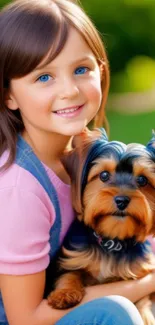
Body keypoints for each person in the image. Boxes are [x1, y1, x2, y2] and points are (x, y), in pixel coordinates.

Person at [0, 0, 154, 324]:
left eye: (81, 69)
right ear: (8, 95)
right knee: (117, 313)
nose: (69, 90)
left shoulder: (87, 150)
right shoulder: (20, 189)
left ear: (101, 70)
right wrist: (146, 284)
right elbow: (24, 319)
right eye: (44, 77)